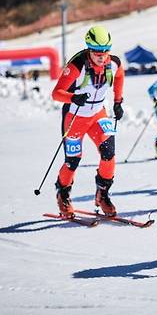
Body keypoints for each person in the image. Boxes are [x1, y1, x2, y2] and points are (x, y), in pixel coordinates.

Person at [51, 25, 125, 217]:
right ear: (88, 49)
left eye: (105, 51)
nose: (101, 55)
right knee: (73, 161)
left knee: (109, 154)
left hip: (98, 114)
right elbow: (56, 94)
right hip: (75, 117)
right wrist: (72, 98)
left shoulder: (114, 63)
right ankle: (63, 194)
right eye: (96, 52)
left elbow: (119, 76)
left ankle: (103, 194)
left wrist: (118, 102)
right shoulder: (77, 65)